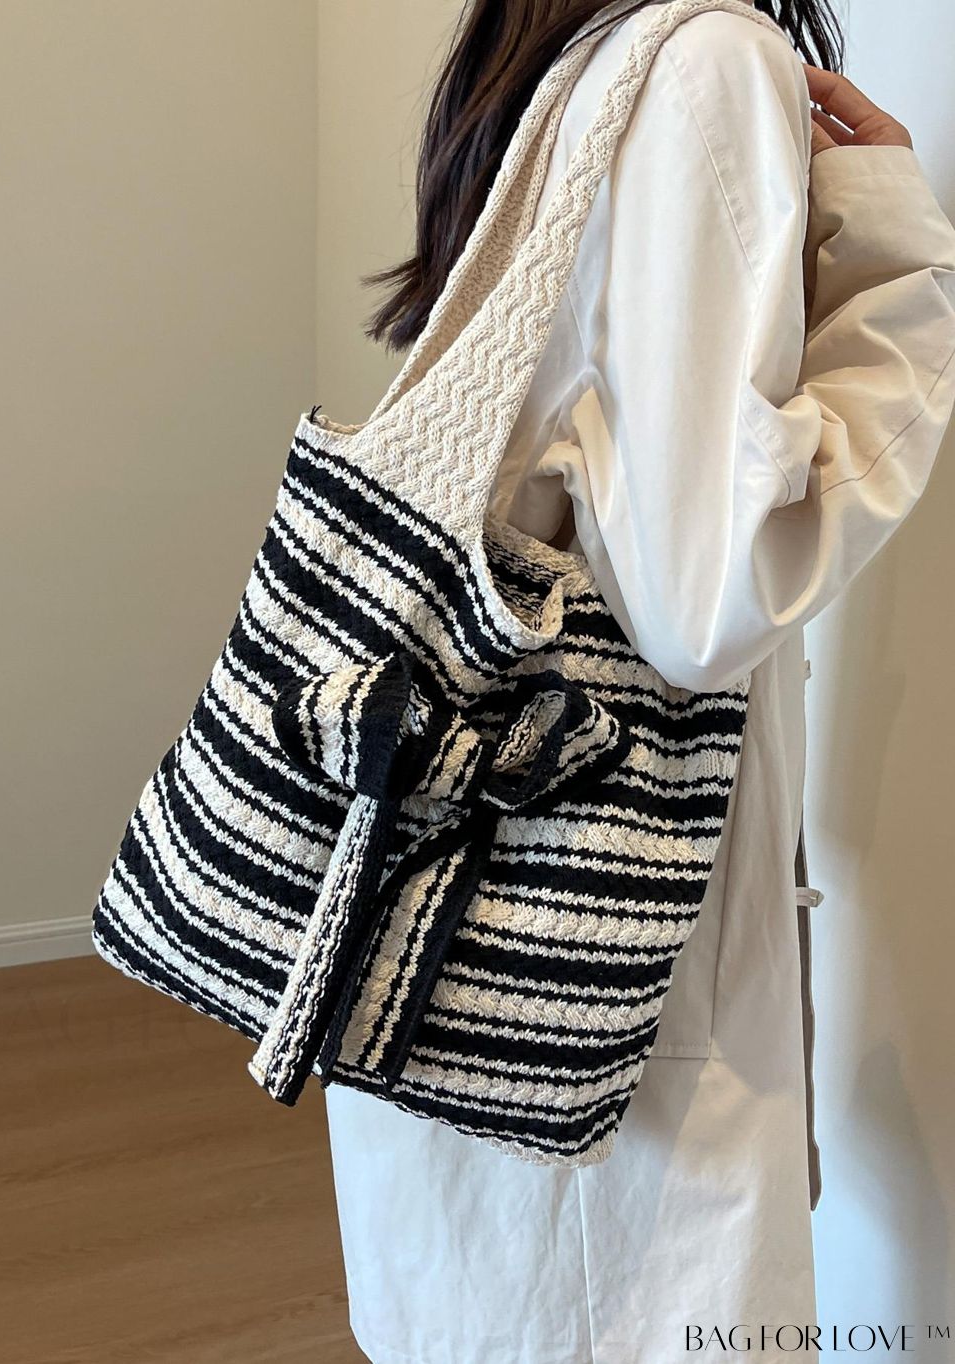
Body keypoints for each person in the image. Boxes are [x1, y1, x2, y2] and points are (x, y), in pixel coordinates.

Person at [322, 2, 955, 1361]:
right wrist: (898, 268)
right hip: (607, 997)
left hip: (456, 948)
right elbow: (705, 596)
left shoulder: (553, 63)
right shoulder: (706, 63)